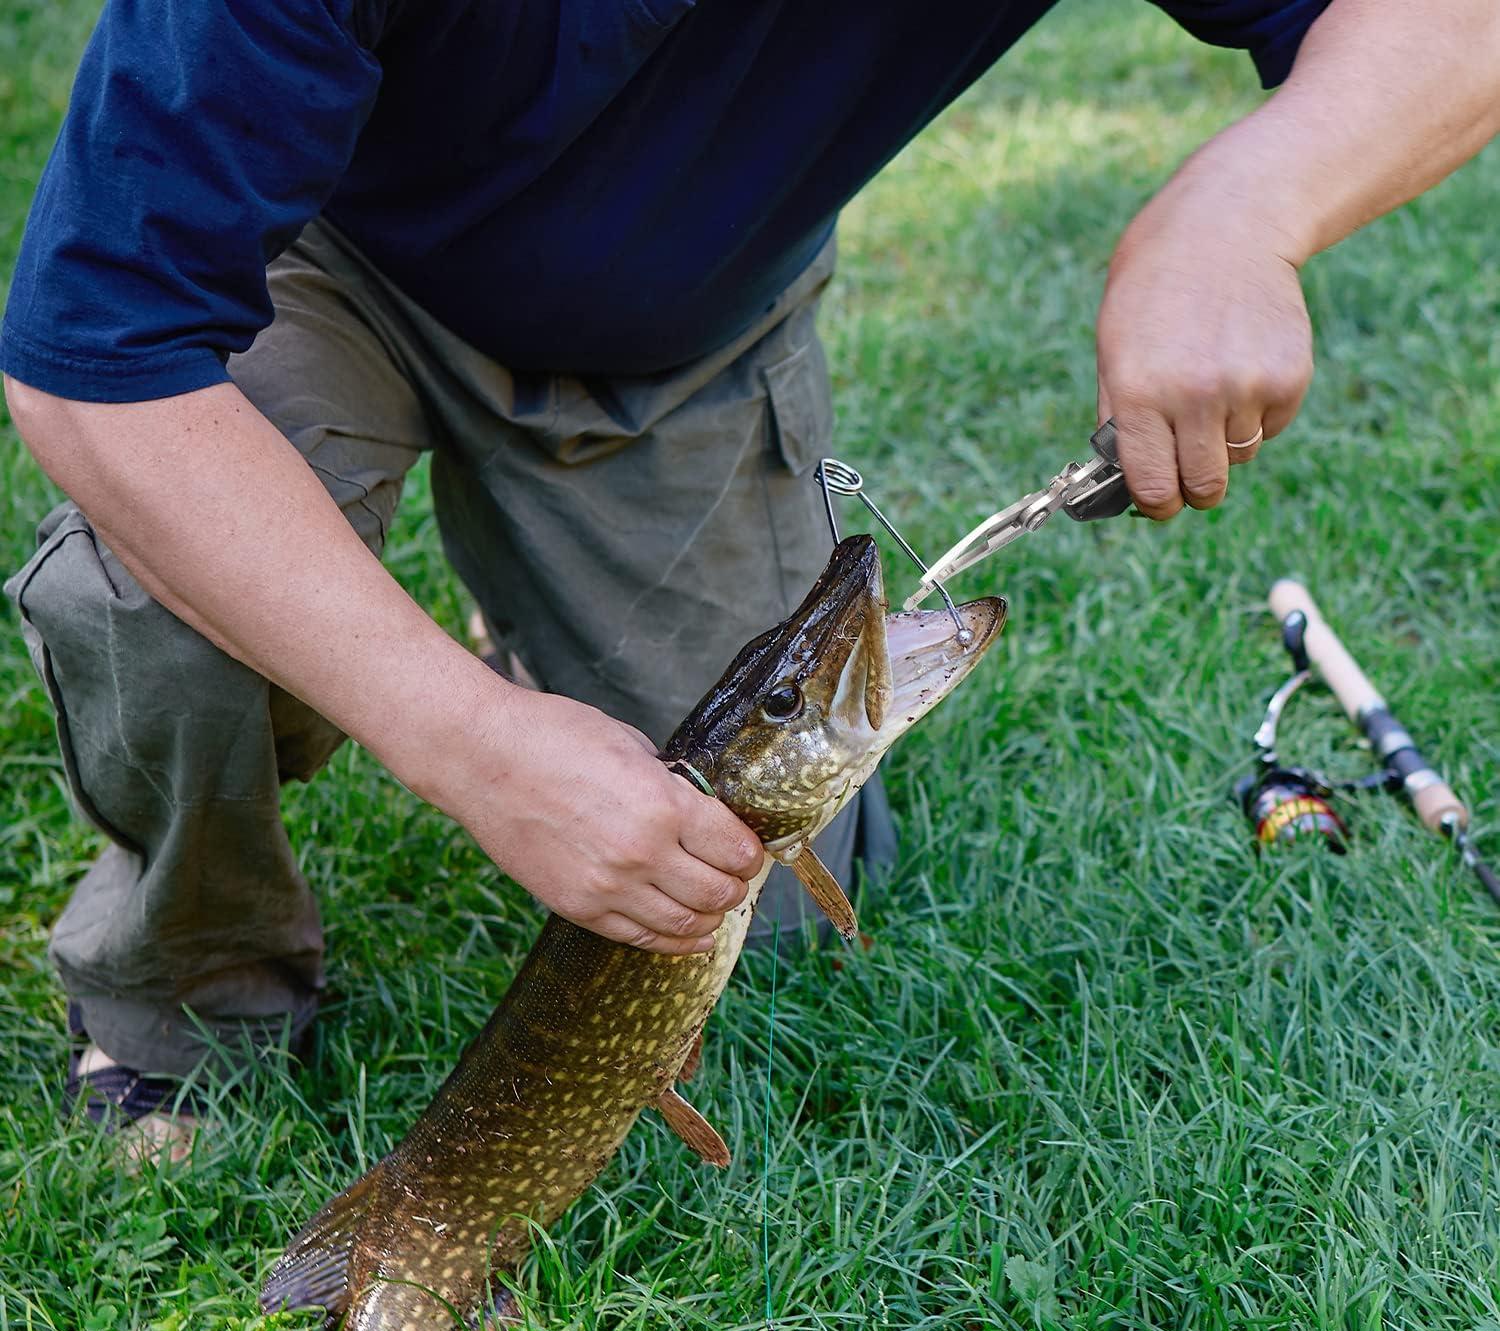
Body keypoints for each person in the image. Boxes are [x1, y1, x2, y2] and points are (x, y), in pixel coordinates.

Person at [3, 0, 1497, 1158]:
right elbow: (102, 361)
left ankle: (534, 615)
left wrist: (1244, 209)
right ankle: (182, 994)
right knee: (161, 601)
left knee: (761, 888)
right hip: (310, 255)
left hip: (681, 329)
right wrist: (466, 743)